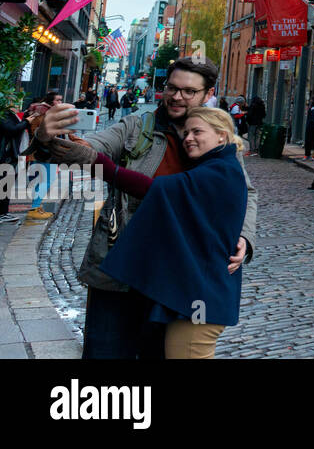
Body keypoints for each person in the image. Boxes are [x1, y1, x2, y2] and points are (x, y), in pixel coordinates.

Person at [33, 56, 257, 359]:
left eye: (189, 91)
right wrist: (47, 138)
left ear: (208, 94)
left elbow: (245, 192)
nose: (177, 97)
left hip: (177, 277)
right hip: (121, 268)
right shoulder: (137, 126)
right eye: (172, 88)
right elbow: (91, 148)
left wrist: (243, 237)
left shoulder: (217, 138)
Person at [0, 102, 30, 223]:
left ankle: (3, 212)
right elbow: (11, 129)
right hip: (5, 156)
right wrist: (27, 122)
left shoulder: (9, 114)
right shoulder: (4, 115)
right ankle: (2, 213)